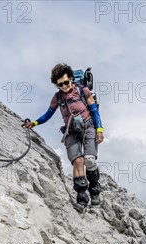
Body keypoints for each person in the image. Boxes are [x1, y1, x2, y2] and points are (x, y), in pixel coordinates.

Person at [25, 63, 104, 211]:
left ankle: (95, 192)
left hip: (89, 127)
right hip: (71, 130)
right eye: (60, 84)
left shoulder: (83, 91)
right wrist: (34, 123)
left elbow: (94, 111)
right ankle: (81, 198)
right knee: (78, 161)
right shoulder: (58, 98)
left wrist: (99, 129)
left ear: (72, 79)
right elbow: (48, 114)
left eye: (66, 82)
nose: (64, 86)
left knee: (89, 160)